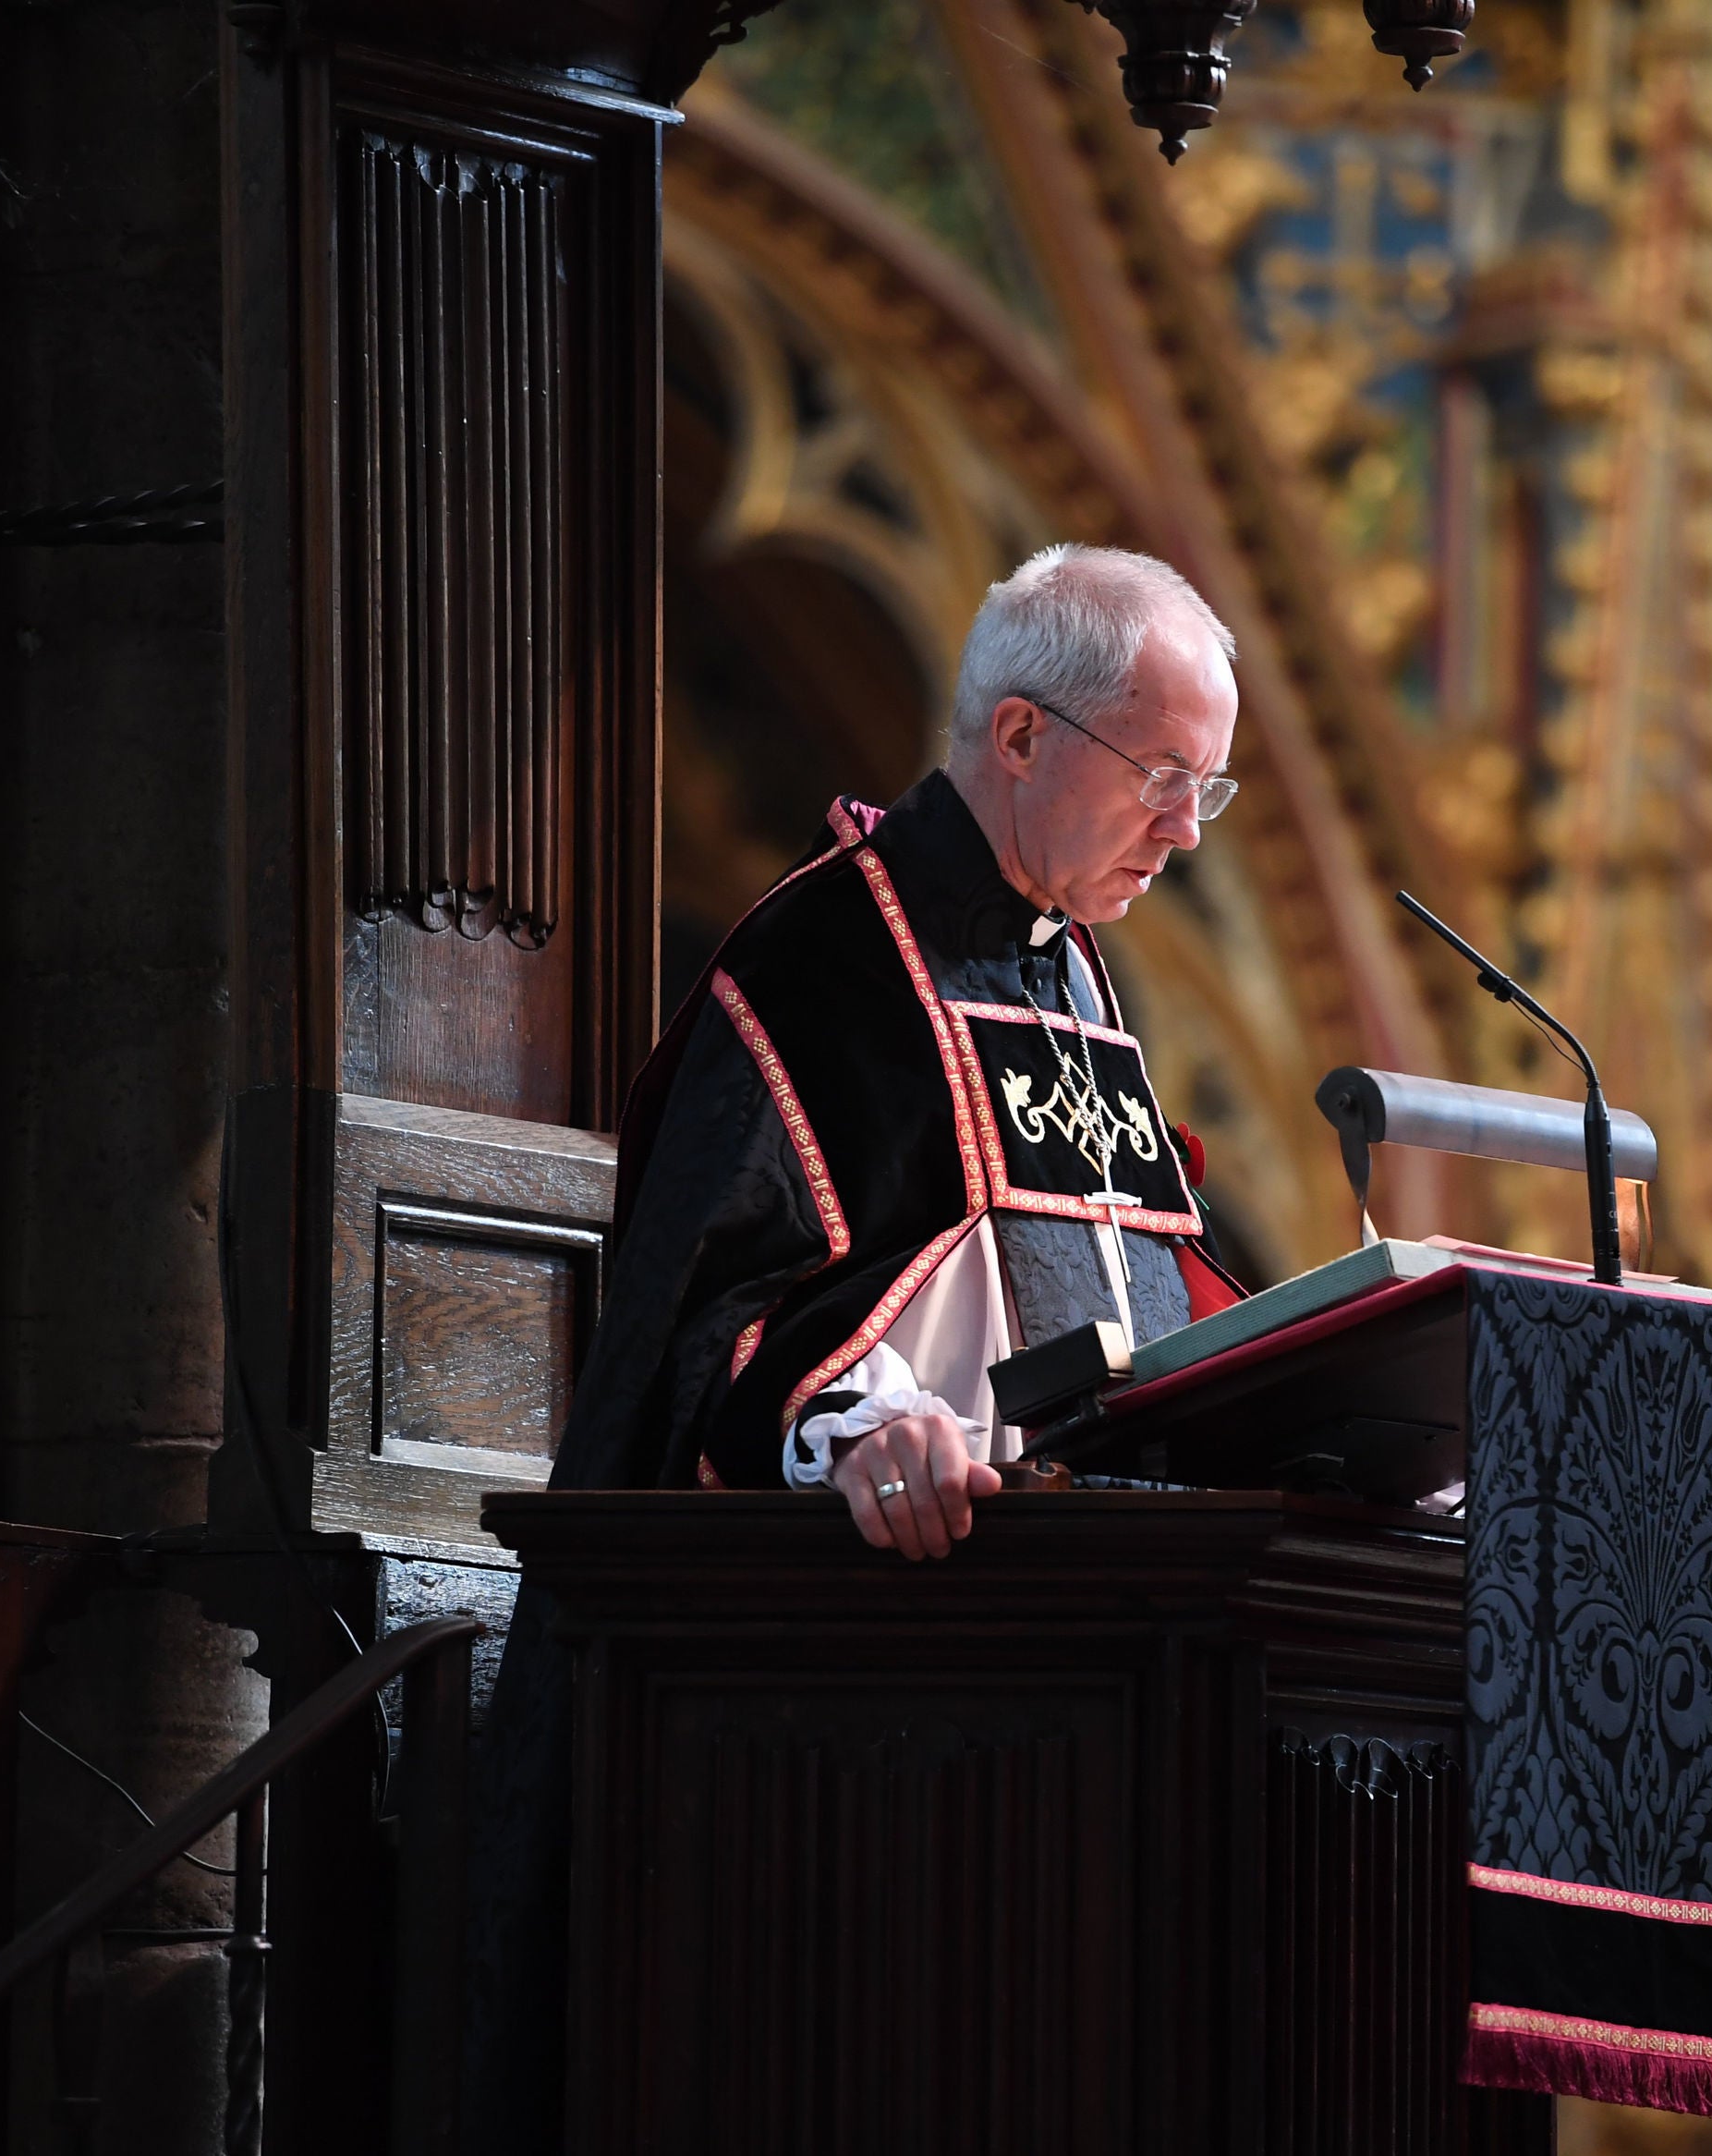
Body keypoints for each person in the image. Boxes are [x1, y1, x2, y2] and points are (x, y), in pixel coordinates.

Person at [467, 543, 1247, 2149]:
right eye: (1165, 775)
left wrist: (1341, 1401)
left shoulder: (1080, 975)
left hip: (1092, 1686)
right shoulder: (819, 958)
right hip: (869, 1694)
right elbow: (702, 1321)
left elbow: (1150, 1294)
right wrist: (854, 1422)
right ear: (1022, 738)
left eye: (1207, 790)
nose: (1183, 830)